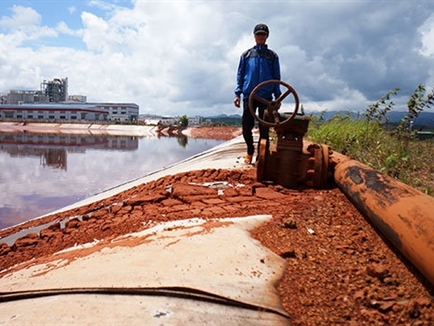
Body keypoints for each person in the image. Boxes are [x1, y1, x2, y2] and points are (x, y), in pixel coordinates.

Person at [233, 23, 281, 164]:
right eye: (258, 34)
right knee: (246, 127)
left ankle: (262, 155)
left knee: (264, 128)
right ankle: (249, 151)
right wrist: (237, 94)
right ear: (254, 36)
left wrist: (278, 96)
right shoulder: (246, 55)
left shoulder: (272, 56)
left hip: (266, 97)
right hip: (250, 96)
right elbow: (240, 75)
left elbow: (276, 76)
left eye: (263, 34)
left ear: (267, 37)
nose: (260, 37)